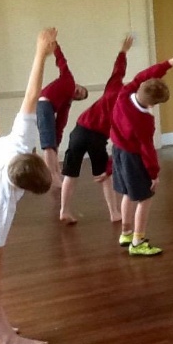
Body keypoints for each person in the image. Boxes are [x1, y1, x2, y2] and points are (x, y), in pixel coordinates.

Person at [0, 28, 56, 344]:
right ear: (23, 189)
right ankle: (9, 342)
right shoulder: (3, 202)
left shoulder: (19, 142)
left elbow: (31, 95)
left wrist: (41, 51)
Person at [110, 47, 173, 256]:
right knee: (145, 198)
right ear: (154, 104)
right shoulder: (144, 121)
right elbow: (147, 150)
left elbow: (146, 74)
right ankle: (138, 242)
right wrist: (154, 174)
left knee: (128, 194)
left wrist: (172, 61)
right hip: (132, 158)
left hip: (117, 151)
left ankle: (126, 233)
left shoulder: (125, 93)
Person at [59, 36, 134, 224]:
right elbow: (123, 136)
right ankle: (114, 212)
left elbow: (118, 69)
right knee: (103, 176)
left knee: (70, 173)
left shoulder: (115, 86)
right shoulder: (127, 106)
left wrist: (123, 51)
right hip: (97, 137)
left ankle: (64, 210)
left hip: (80, 130)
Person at [37, 40, 88, 188]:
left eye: (80, 96)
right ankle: (51, 176)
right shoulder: (68, 79)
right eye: (81, 90)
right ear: (77, 85)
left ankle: (56, 172)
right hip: (43, 103)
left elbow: (61, 123)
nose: (79, 93)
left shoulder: (66, 102)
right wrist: (56, 46)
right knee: (48, 143)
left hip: (47, 108)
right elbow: (62, 62)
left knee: (52, 143)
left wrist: (58, 142)